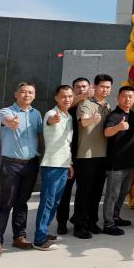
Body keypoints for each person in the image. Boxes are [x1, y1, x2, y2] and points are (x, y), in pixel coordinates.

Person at [0, 81, 44, 259]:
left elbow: (41, 134)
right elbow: (7, 122)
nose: (27, 95)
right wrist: (12, 122)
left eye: (30, 92)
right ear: (16, 94)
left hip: (31, 164)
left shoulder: (37, 114)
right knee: (5, 203)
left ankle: (19, 237)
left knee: (22, 202)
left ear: (34, 95)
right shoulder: (6, 112)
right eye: (23, 92)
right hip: (11, 165)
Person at [33, 85, 74, 249]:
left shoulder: (68, 116)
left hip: (63, 165)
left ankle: (44, 231)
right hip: (51, 165)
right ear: (56, 98)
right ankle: (39, 239)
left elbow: (66, 144)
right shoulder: (52, 113)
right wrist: (53, 120)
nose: (67, 99)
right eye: (63, 96)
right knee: (47, 202)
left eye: (70, 96)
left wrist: (69, 163)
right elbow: (50, 121)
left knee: (55, 202)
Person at [72, 74, 112, 239]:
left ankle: (92, 222)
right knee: (84, 192)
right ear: (94, 87)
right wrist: (92, 119)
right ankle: (79, 225)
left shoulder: (107, 106)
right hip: (86, 155)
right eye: (102, 86)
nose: (105, 90)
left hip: (103, 156)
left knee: (96, 192)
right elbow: (84, 121)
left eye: (108, 87)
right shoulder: (86, 103)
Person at [101, 86, 134, 236]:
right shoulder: (115, 115)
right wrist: (118, 127)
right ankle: (108, 224)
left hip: (129, 163)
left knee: (123, 193)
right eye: (124, 96)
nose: (128, 99)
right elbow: (106, 132)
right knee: (112, 195)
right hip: (116, 165)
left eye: (130, 96)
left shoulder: (132, 114)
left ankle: (115, 217)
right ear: (118, 98)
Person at [56, 77, 91, 235]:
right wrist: (83, 96)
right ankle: (61, 223)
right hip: (66, 156)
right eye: (78, 87)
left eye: (84, 87)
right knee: (65, 192)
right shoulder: (66, 106)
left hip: (84, 156)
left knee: (83, 192)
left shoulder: (91, 105)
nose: (81, 89)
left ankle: (79, 222)